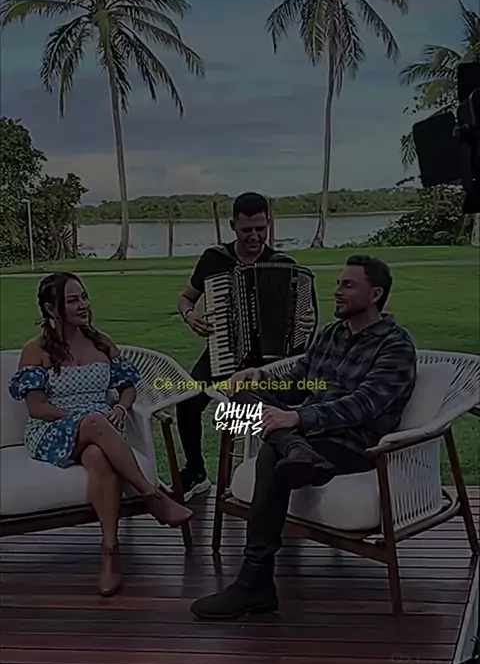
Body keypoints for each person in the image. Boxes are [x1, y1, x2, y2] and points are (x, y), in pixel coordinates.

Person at [190, 254, 417, 621]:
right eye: (338, 283)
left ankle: (254, 583)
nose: (337, 291)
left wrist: (296, 418)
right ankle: (296, 449)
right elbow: (298, 382)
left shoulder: (395, 346)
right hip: (308, 437)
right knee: (242, 397)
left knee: (271, 453)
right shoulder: (331, 334)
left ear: (375, 294)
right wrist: (260, 377)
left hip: (352, 444)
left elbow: (364, 406)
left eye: (348, 285)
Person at [9, 272, 193, 598]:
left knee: (98, 457)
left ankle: (110, 553)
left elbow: (127, 387)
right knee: (94, 421)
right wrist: (82, 418)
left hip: (101, 429)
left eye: (83, 297)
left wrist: (121, 408)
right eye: (72, 300)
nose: (83, 305)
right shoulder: (35, 350)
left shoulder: (101, 342)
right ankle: (153, 496)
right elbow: (37, 408)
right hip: (52, 430)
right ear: (51, 309)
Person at [176, 191, 317, 500]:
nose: (254, 236)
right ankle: (196, 472)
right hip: (223, 352)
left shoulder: (283, 265)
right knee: (187, 402)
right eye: (246, 230)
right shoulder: (214, 259)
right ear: (233, 226)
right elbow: (186, 297)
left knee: (269, 406)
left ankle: (269, 473)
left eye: (261, 229)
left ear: (269, 223)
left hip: (270, 363)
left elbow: (305, 325)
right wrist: (190, 315)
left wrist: (305, 324)